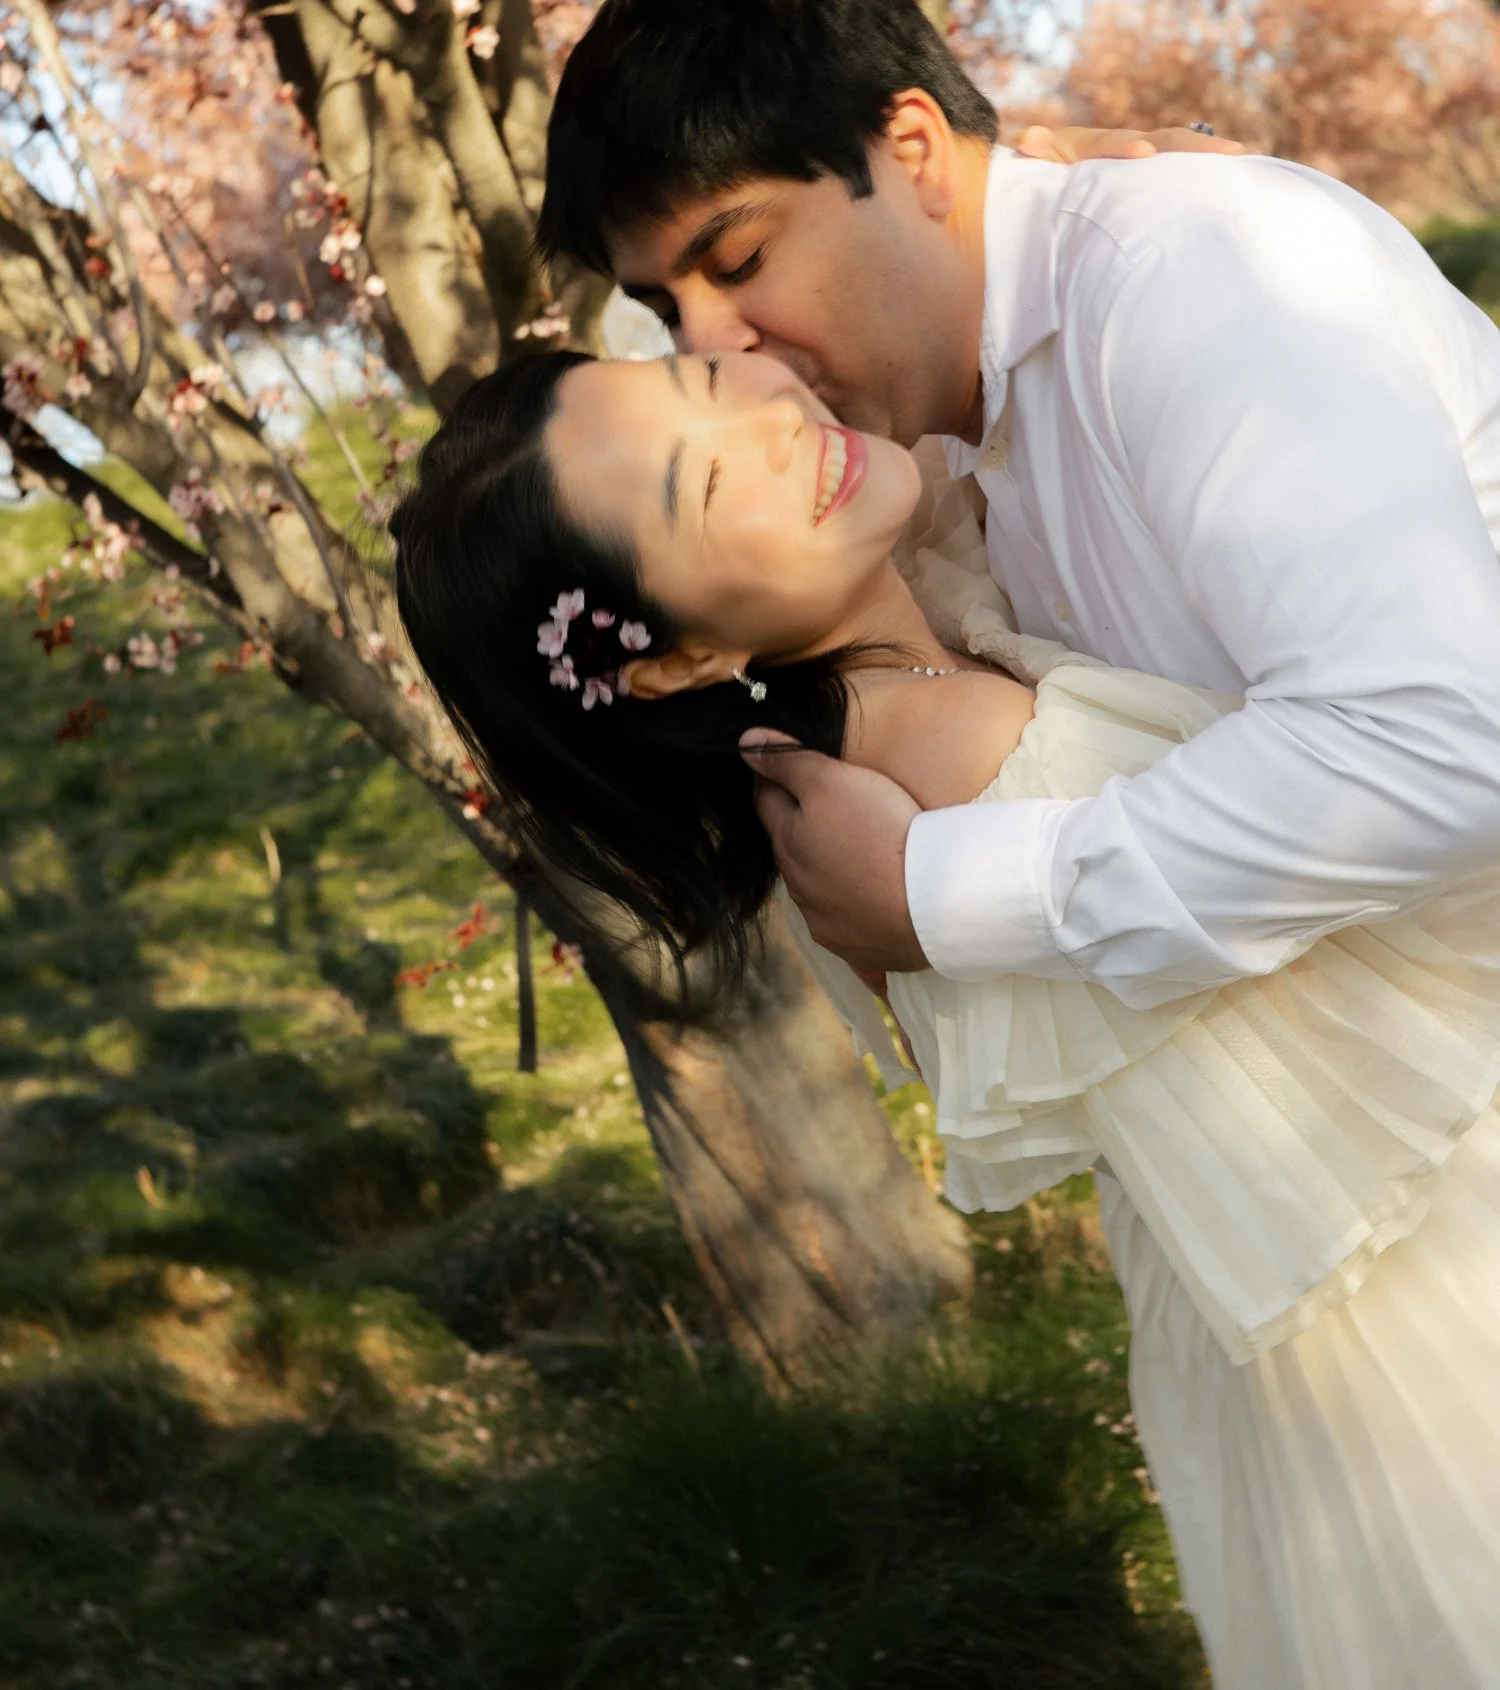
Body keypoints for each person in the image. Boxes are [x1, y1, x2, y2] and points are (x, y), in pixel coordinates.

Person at [391, 342, 1500, 1690]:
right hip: (1419, 1281)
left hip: (1296, 1306)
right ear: (681, 657)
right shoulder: (956, 759)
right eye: (700, 480)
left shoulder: (853, 732)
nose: (771, 413)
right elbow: (1395, 867)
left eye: (699, 370)